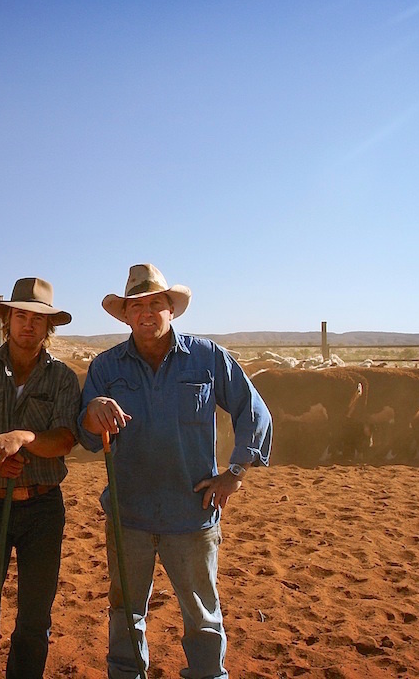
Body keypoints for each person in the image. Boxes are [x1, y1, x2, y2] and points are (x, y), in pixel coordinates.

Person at [78, 263, 272, 679]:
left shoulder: (206, 357)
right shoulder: (106, 368)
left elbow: (252, 409)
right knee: (125, 612)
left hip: (192, 512)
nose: (146, 313)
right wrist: (93, 413)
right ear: (125, 315)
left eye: (156, 304)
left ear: (171, 309)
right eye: (136, 306)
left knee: (202, 614)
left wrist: (235, 472)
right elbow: (88, 435)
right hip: (129, 514)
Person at [0, 277, 81, 679]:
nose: (29, 325)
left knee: (34, 620)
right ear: (7, 320)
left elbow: (64, 439)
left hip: (43, 507)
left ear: (48, 327)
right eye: (21, 316)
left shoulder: (62, 378)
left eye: (38, 319)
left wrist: (22, 438)